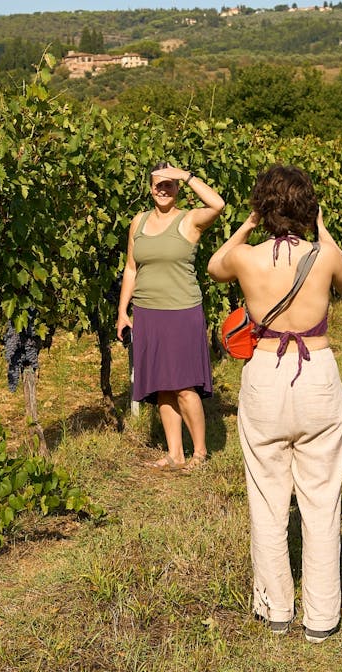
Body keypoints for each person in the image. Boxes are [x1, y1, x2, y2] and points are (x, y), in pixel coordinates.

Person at [206, 164, 342, 642]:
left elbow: (215, 265)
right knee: (321, 499)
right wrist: (322, 228)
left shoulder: (246, 259)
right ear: (308, 206)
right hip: (315, 373)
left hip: (265, 378)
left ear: (263, 206)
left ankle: (276, 611)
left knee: (267, 499)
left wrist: (248, 224)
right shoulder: (323, 255)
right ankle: (321, 618)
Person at [117, 162, 225, 472]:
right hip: (148, 313)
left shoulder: (190, 219)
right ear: (149, 187)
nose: (163, 189)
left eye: (169, 184)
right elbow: (131, 268)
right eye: (158, 184)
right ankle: (175, 454)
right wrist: (123, 311)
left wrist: (187, 176)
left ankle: (200, 453)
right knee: (162, 386)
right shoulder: (138, 222)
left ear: (177, 188)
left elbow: (217, 204)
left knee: (185, 386)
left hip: (181, 312)